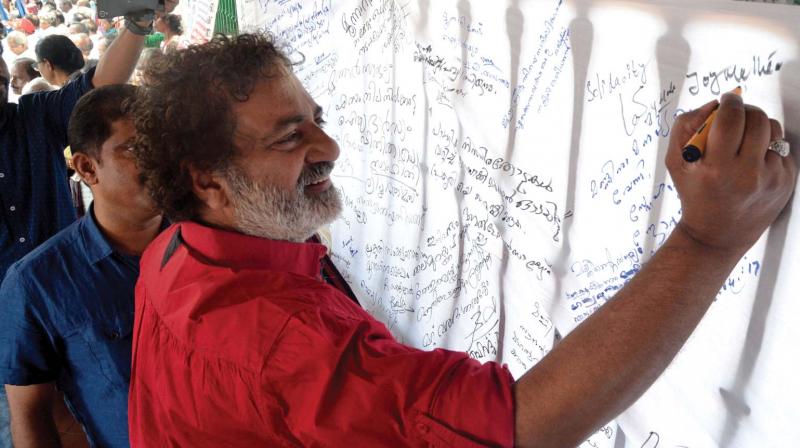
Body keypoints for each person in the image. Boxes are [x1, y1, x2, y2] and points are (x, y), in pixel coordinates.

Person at [128, 33, 798, 447]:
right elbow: (520, 429)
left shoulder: (172, 252)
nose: (329, 146)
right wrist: (708, 241)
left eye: (317, 119)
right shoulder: (279, 340)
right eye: (289, 137)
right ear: (209, 183)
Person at [0, 3, 177, 443]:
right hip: (12, 327)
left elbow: (100, 89)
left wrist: (137, 23)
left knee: (117, 406)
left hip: (81, 286)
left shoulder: (33, 118)